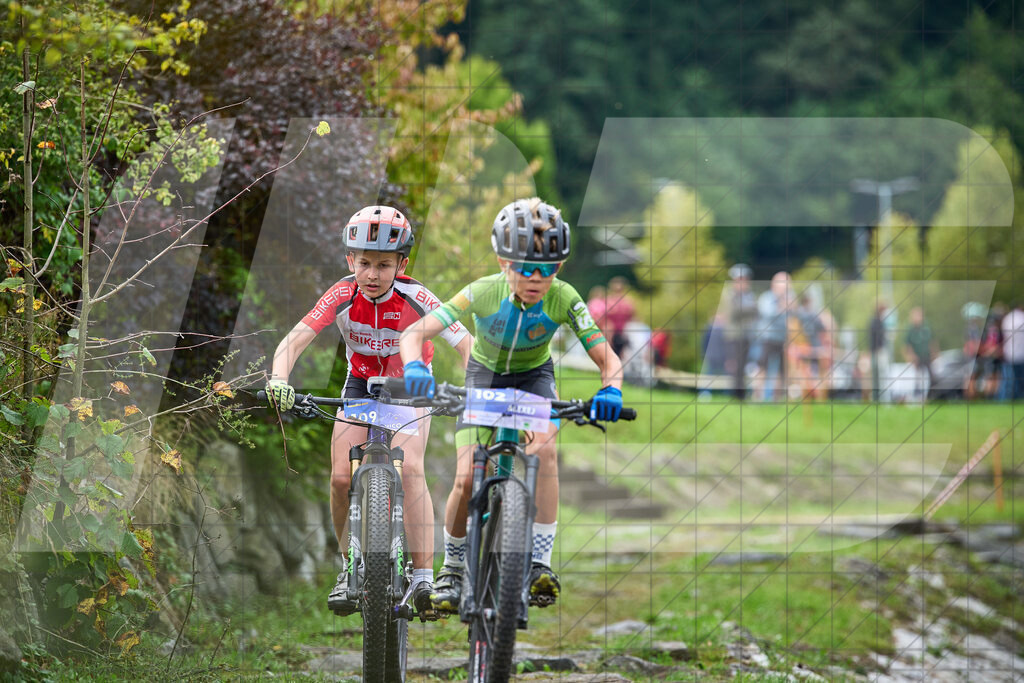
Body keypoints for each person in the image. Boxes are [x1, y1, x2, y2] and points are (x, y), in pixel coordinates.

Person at [397, 198, 624, 612]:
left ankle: (540, 563)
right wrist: (414, 365)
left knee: (547, 451)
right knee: (466, 479)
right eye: (526, 267)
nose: (537, 278)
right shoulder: (483, 292)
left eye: (550, 268)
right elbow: (414, 333)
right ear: (504, 262)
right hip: (484, 377)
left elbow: (608, 359)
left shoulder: (564, 297)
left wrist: (611, 390)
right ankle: (453, 567)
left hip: (534, 378)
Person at [265, 206, 473, 616]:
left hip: (410, 388)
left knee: (411, 470)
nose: (373, 274)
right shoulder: (342, 294)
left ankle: (423, 581)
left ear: (402, 264)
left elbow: (466, 344)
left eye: (383, 264)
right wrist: (278, 378)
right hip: (359, 386)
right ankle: (348, 567)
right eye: (364, 263)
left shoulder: (417, 297)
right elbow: (295, 339)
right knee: (342, 476)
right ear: (350, 261)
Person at [720, 264, 758, 399]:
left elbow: (755, 312)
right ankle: (736, 395)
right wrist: (750, 308)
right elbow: (735, 312)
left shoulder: (749, 295)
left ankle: (741, 395)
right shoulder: (730, 293)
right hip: (734, 336)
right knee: (735, 366)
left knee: (743, 366)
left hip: (746, 335)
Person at [754, 271, 791, 401]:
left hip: (783, 339)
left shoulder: (789, 299)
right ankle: (758, 396)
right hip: (767, 338)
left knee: (782, 370)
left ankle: (777, 398)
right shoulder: (766, 298)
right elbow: (767, 314)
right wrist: (781, 308)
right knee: (762, 367)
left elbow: (793, 317)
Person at [902, 306, 936, 403]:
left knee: (932, 377)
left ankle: (930, 397)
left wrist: (934, 354)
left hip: (927, 357)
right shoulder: (910, 329)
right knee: (917, 379)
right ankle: (915, 397)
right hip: (916, 358)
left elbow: (932, 342)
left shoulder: (926, 328)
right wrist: (911, 357)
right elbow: (906, 346)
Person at [605, 276, 636, 358]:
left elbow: (633, 316)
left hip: (622, 333)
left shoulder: (628, 301)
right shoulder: (609, 300)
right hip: (611, 334)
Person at [1002, 301, 1024, 400]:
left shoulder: (1007, 318)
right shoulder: (1021, 317)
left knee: (1010, 380)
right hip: (1020, 354)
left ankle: (1007, 399)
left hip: (1009, 353)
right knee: (1019, 380)